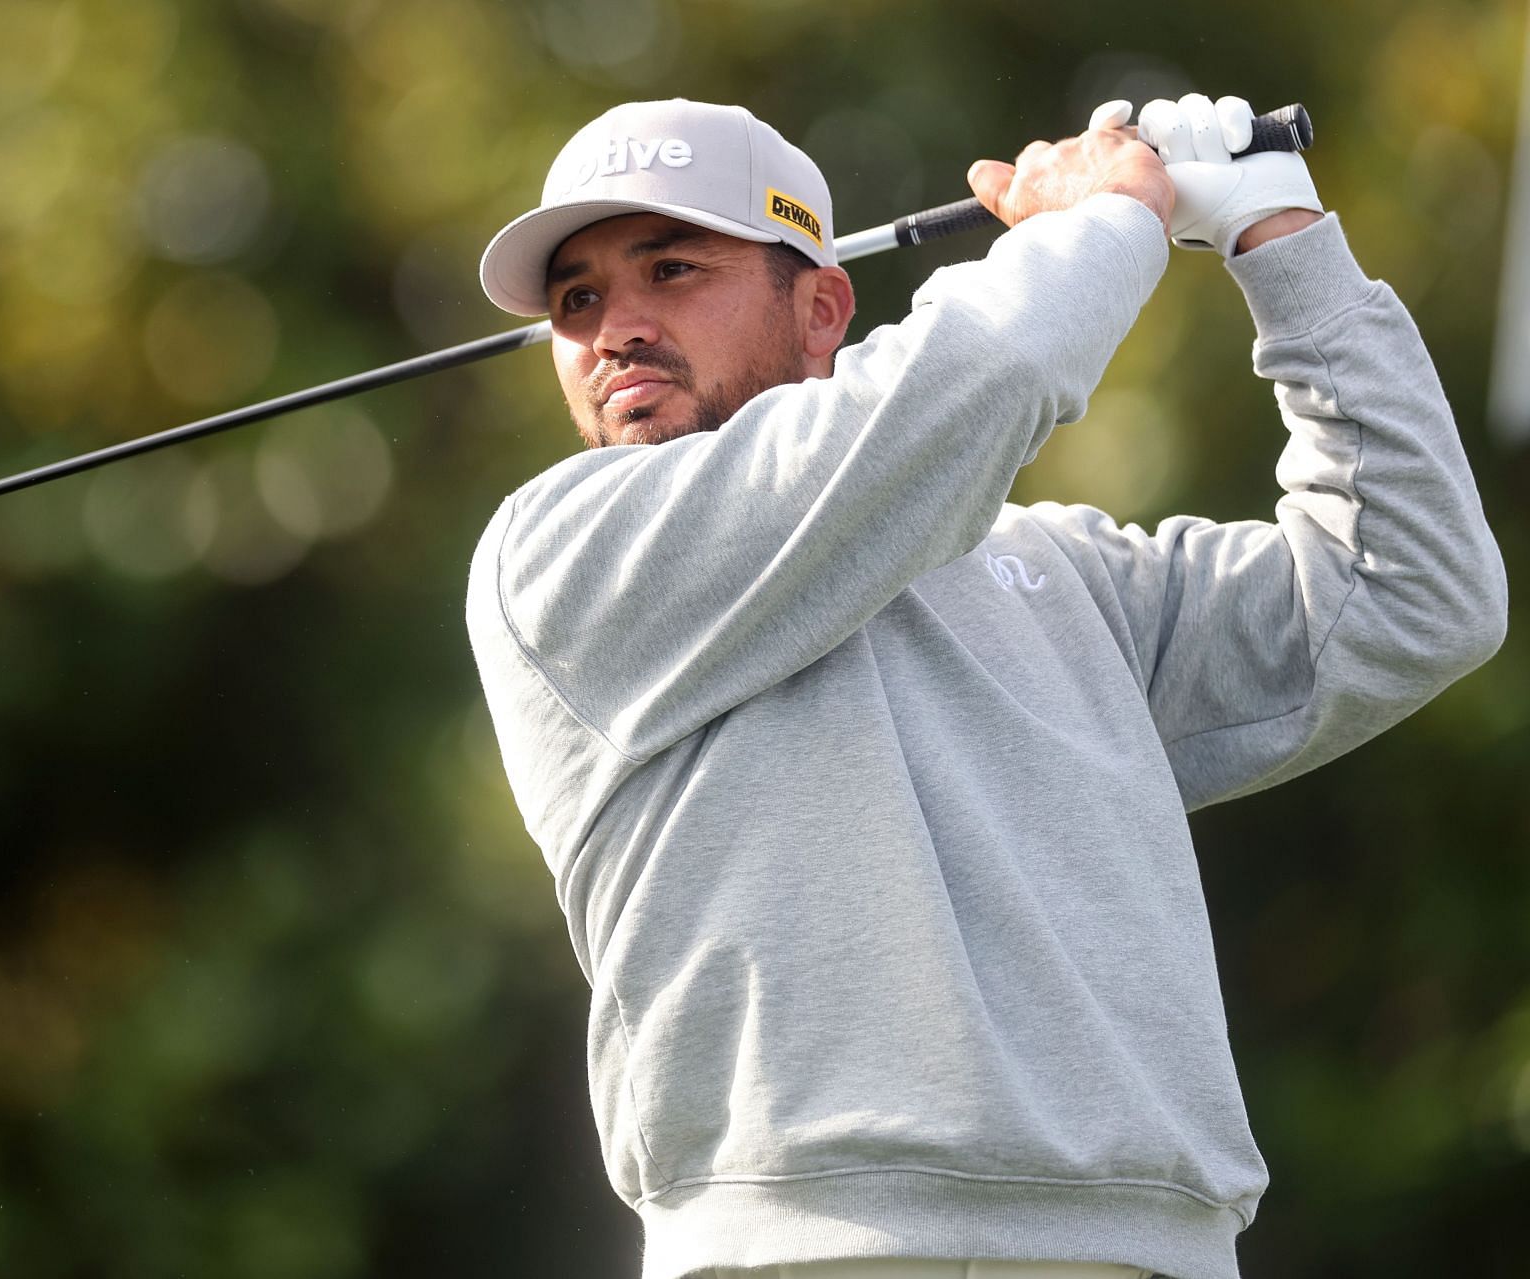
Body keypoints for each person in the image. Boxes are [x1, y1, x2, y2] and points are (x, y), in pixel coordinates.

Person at [463, 95, 1507, 1279]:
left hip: (1149, 1250)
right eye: (578, 299)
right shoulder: (557, 555)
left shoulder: (1067, 573)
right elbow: (980, 375)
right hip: (808, 1255)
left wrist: (1287, 245)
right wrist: (1105, 219)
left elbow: (1413, 592)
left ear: (820, 309)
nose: (617, 329)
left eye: (672, 267)